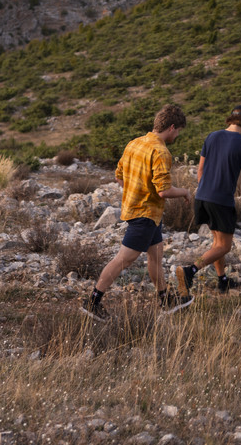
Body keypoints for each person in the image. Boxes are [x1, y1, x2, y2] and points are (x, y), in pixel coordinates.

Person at [80, 104, 194, 322]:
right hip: (145, 214)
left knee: (156, 255)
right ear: (172, 127)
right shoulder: (161, 152)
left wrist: (134, 189)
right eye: (179, 131)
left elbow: (119, 176)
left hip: (143, 213)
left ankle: (166, 299)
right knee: (123, 259)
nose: (178, 135)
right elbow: (163, 191)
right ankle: (93, 302)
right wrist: (185, 192)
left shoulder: (134, 143)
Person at [176, 105, 241, 295]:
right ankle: (190, 271)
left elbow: (200, 170)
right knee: (224, 246)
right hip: (221, 200)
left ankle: (222, 280)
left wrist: (206, 190)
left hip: (202, 197)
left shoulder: (212, 136)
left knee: (217, 244)